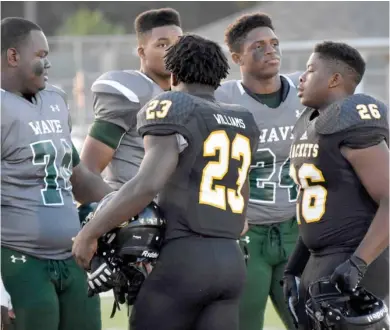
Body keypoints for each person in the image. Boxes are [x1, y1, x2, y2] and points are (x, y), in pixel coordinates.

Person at [72, 34, 260, 330]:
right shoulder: (242, 119)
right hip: (231, 261)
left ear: (173, 74)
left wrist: (89, 233)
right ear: (218, 77)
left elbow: (147, 183)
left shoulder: (173, 105)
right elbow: (243, 208)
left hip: (183, 258)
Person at [1, 17, 113, 330]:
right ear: (13, 57)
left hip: (71, 256)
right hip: (20, 261)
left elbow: (78, 178)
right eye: (40, 56)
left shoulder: (54, 99)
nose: (48, 64)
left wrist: (129, 203)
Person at [284, 41, 389, 330]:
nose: (301, 78)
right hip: (319, 260)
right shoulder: (311, 124)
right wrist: (294, 268)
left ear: (334, 79)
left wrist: (359, 262)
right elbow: (316, 203)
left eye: (310, 70)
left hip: (352, 259)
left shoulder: (353, 118)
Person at [214, 13, 301, 330]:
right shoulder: (222, 100)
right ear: (236, 57)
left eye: (274, 43)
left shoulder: (306, 92)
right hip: (245, 235)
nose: (271, 50)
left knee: (312, 321)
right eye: (259, 46)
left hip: (297, 230)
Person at [80, 8, 182, 190]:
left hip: (175, 211)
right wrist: (116, 211)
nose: (174, 52)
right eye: (162, 45)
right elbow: (88, 171)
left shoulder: (187, 94)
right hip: (136, 211)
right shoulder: (130, 92)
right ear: (142, 53)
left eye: (179, 44)